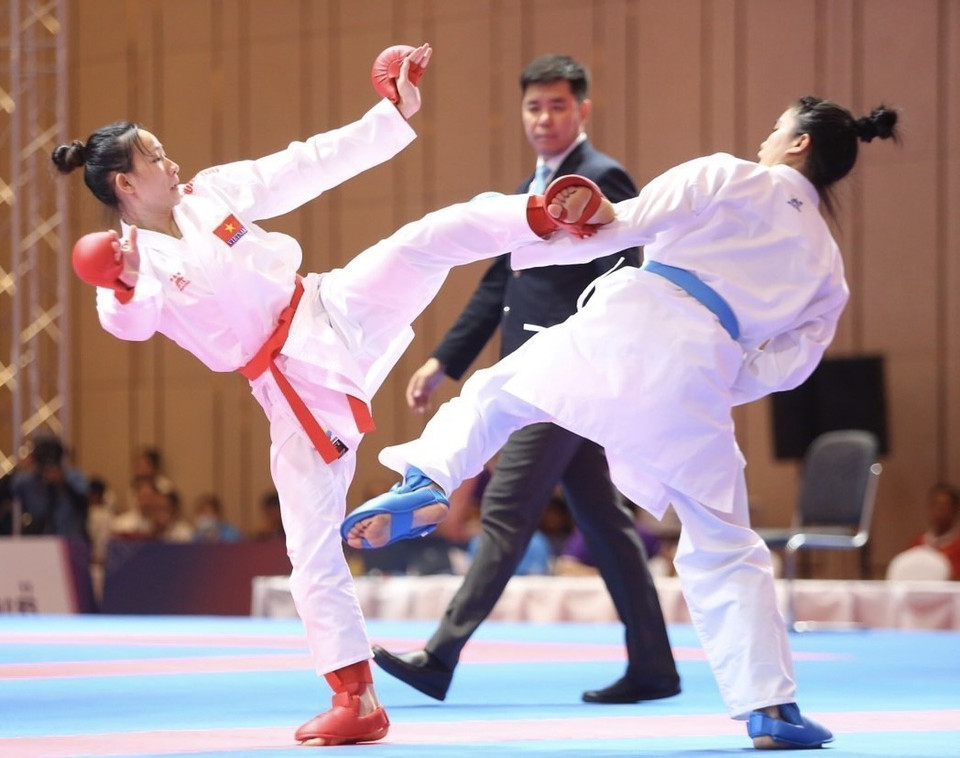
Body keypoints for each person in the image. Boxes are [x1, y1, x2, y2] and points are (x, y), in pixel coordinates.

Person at [53, 43, 604, 747]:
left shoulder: (208, 194)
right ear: (126, 185)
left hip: (328, 305)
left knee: (424, 238)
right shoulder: (136, 261)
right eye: (157, 157)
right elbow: (127, 326)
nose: (173, 163)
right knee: (310, 546)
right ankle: (356, 697)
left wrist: (390, 113)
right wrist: (122, 284)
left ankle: (551, 216)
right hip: (289, 386)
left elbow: (305, 163)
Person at [343, 95, 900, 749]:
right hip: (703, 373)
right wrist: (722, 374)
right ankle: (770, 708)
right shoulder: (827, 265)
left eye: (775, 129)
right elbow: (789, 367)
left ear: (800, 144)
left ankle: (425, 480)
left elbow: (630, 222)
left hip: (633, 320)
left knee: (499, 394)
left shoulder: (730, 174)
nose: (764, 140)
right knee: (727, 544)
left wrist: (572, 227)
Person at [372, 53, 680, 706]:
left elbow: (627, 280)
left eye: (558, 106)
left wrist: (596, 362)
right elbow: (497, 285)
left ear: (583, 111)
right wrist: (444, 362)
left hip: (565, 381)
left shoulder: (602, 178)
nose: (544, 118)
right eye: (534, 107)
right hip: (541, 380)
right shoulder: (530, 187)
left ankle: (440, 655)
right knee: (605, 523)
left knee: (507, 509)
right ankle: (654, 666)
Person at [907, 482, 960, 579]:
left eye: (945, 507)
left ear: (955, 510)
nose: (939, 511)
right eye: (935, 505)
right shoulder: (917, 544)